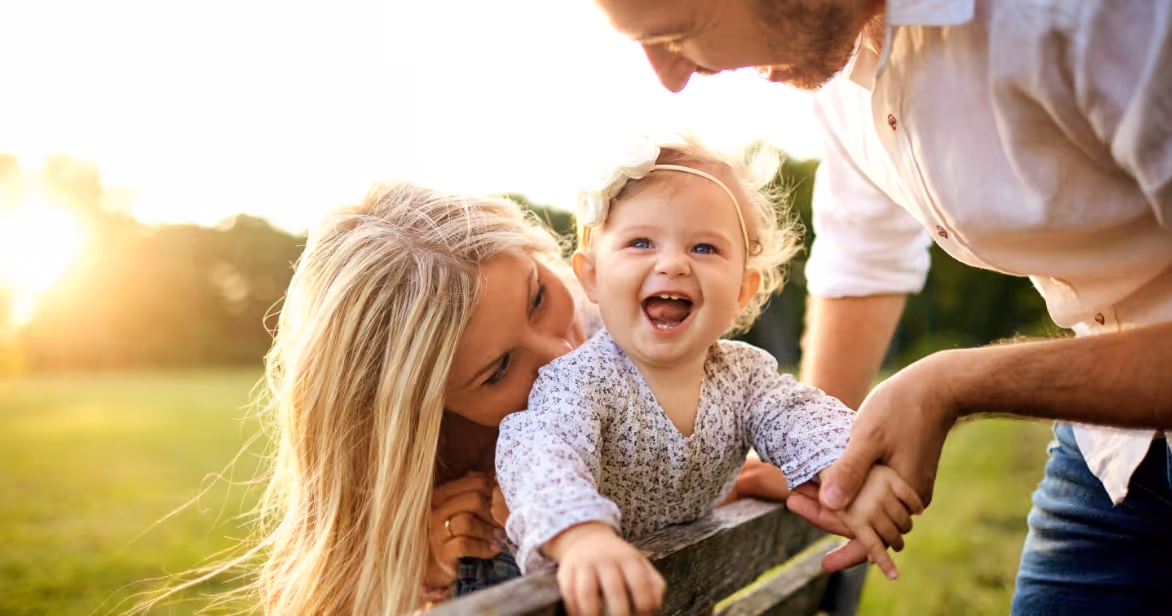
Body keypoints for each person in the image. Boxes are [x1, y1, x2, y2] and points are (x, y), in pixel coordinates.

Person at [593, 0, 1172, 612]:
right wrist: (817, 451)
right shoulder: (843, 63)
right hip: (1114, 455)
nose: (669, 76)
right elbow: (862, 250)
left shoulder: (1098, 17)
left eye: (678, 32)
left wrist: (955, 382)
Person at [153, 180, 794, 615]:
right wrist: (423, 576)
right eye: (496, 372)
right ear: (419, 416)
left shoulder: (629, 350)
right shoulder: (427, 513)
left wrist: (712, 481)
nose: (561, 354)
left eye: (539, 297)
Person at [496, 136, 921, 616]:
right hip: (578, 593)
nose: (674, 263)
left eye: (704, 247)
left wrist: (848, 471)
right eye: (640, 242)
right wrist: (580, 535)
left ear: (742, 290)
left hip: (678, 593)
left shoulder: (745, 377)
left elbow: (803, 417)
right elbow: (539, 454)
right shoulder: (580, 382)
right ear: (591, 276)